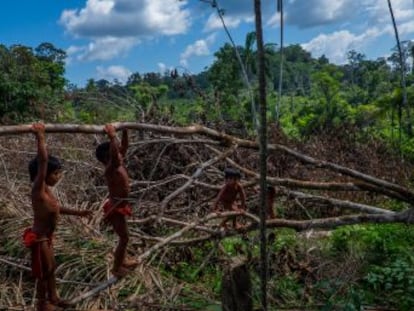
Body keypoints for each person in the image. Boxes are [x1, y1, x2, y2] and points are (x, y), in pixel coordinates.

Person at [24, 122, 92, 311]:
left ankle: (53, 297)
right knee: (43, 272)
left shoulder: (47, 192)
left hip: (48, 237)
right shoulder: (38, 189)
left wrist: (79, 213)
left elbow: (56, 209)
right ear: (43, 175)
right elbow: (43, 161)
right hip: (39, 238)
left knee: (51, 269)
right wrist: (40, 136)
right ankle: (42, 304)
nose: (58, 176)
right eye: (55, 173)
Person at [95, 124, 137, 278]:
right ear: (108, 158)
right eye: (117, 153)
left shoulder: (117, 162)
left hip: (121, 205)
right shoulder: (110, 169)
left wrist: (124, 129)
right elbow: (115, 154)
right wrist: (112, 136)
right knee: (124, 238)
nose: (121, 154)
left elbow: (124, 146)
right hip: (115, 208)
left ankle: (123, 260)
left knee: (124, 237)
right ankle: (116, 268)